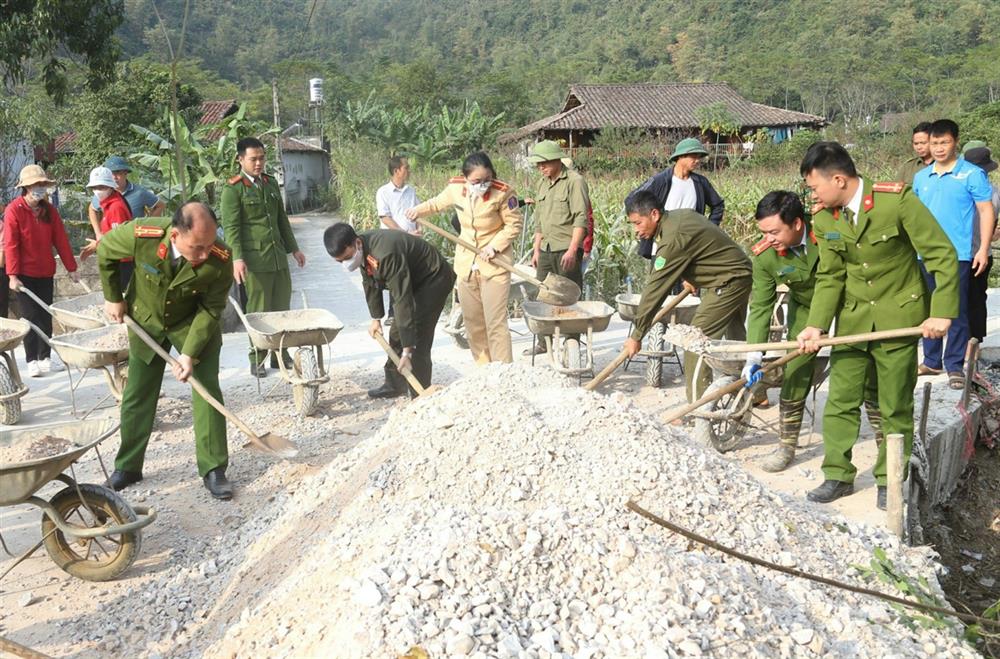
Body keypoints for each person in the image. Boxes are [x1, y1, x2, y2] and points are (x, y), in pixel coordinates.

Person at [797, 141, 958, 509]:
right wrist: (817, 326)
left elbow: (941, 254)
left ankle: (890, 477)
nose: (812, 195)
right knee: (840, 400)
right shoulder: (825, 219)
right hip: (854, 322)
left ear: (838, 179)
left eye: (813, 186)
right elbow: (831, 277)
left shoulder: (895, 201)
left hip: (899, 319)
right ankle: (837, 474)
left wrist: (941, 311)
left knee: (894, 403)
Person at [98, 202, 235, 499]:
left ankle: (213, 468)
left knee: (206, 389)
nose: (203, 256)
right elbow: (106, 248)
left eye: (209, 246)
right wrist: (113, 297)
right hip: (147, 321)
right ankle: (128, 466)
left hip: (193, 326)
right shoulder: (143, 235)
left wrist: (188, 354)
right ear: (175, 236)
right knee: (137, 392)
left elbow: (212, 310)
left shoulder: (221, 257)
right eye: (196, 247)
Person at [743, 191, 883, 472]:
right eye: (764, 232)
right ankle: (786, 444)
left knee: (867, 370)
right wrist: (753, 356)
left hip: (851, 303)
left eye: (773, 231)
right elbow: (760, 307)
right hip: (806, 310)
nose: (768, 238)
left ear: (797, 224)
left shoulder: (831, 227)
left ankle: (886, 444)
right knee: (796, 368)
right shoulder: (766, 257)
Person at [623, 189, 751, 403]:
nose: (636, 231)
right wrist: (693, 274)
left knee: (694, 341)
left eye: (638, 223)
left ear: (654, 214)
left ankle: (698, 408)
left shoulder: (672, 236)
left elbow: (655, 289)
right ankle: (755, 393)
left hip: (728, 281)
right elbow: (701, 247)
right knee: (736, 339)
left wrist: (636, 335)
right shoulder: (677, 217)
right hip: (736, 273)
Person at [406, 152, 522, 364]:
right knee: (473, 323)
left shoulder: (504, 193)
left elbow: (513, 225)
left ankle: (504, 371)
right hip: (467, 263)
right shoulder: (455, 188)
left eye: (487, 179)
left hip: (495, 264)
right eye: (477, 181)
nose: (483, 185)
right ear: (466, 178)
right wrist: (417, 211)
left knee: (495, 323)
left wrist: (494, 247)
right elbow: (435, 204)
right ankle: (483, 369)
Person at [324, 222, 455, 397]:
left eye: (347, 257)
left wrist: (408, 349)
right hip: (412, 280)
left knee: (418, 335)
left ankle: (420, 393)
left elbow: (402, 299)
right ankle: (394, 385)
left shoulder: (386, 253)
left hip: (433, 278)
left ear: (357, 243)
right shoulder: (363, 250)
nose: (345, 264)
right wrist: (376, 318)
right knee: (396, 332)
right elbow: (370, 283)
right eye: (339, 261)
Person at [912, 120, 995, 388]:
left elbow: (985, 211)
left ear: (955, 142)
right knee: (928, 307)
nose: (938, 148)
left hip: (957, 253)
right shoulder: (921, 177)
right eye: (934, 143)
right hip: (924, 254)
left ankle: (954, 364)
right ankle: (932, 359)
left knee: (955, 310)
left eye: (944, 142)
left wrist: (982, 249)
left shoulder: (971, 174)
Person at [220, 137, 306, 378]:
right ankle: (256, 358)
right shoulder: (233, 189)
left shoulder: (269, 184)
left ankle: (282, 355)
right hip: (254, 261)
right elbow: (232, 228)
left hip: (277, 257)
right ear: (240, 159)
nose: (258, 163)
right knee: (259, 310)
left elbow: (281, 220)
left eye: (261, 158)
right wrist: (237, 258)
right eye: (253, 159)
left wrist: (294, 249)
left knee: (281, 309)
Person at [4, 165, 80, 377]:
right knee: (30, 318)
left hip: (45, 271)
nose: (39, 188)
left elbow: (61, 240)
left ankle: (45, 357)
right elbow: (11, 244)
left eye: (42, 185)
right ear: (26, 188)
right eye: (35, 185)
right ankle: (31, 360)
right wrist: (12, 275)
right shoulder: (14, 210)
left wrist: (72, 268)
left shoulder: (49, 211)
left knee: (46, 315)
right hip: (24, 274)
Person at [523, 140, 590, 356]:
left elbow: (581, 218)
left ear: (556, 160)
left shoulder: (574, 181)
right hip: (546, 248)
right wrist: (536, 250)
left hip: (566, 249)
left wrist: (573, 250)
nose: (540, 168)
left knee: (568, 294)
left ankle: (571, 341)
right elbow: (540, 221)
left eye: (543, 163)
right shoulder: (542, 184)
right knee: (542, 294)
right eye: (537, 165)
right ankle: (544, 341)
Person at [631, 137, 725, 260]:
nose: (697, 160)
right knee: (662, 278)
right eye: (693, 156)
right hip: (662, 245)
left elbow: (718, 205)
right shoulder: (660, 181)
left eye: (699, 157)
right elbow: (632, 199)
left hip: (690, 247)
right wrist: (645, 224)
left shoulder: (700, 183)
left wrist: (709, 228)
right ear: (681, 157)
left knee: (689, 279)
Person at [376, 155, 420, 325]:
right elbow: (385, 217)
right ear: (397, 171)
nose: (409, 170)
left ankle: (409, 311)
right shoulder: (383, 192)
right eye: (406, 167)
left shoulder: (411, 191)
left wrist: (419, 229)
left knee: (410, 275)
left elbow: (417, 211)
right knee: (394, 276)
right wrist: (403, 232)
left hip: (411, 240)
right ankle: (392, 313)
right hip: (391, 241)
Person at [962, 142, 999, 342]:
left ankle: (970, 345)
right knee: (975, 301)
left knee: (970, 302)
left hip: (973, 253)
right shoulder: (993, 192)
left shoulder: (993, 192)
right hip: (974, 253)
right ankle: (971, 343)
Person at [86, 155, 164, 238]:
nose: (114, 177)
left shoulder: (139, 192)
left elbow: (160, 205)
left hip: (132, 239)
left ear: (125, 173)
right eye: (111, 173)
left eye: (118, 172)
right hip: (111, 239)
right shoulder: (103, 193)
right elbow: (92, 208)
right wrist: (98, 233)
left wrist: (148, 226)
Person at [82, 166, 134, 289]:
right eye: (95, 188)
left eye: (102, 187)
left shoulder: (116, 207)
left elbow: (119, 239)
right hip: (117, 259)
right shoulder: (109, 203)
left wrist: (98, 244)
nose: (98, 190)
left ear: (110, 187)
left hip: (122, 262)